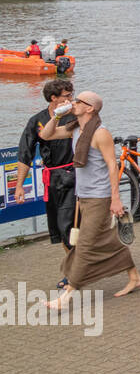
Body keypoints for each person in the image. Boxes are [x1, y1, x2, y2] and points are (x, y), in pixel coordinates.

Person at [38, 92, 140, 310]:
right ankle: (135, 277)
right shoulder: (76, 128)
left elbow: (112, 165)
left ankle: (67, 296)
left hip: (100, 196)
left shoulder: (100, 133)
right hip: (83, 195)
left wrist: (115, 198)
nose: (73, 103)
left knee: (84, 245)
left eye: (78, 101)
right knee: (107, 240)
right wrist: (57, 115)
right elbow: (46, 135)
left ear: (90, 108)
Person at [14, 79, 76, 255]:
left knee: (69, 224)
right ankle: (73, 269)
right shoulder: (36, 121)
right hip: (53, 179)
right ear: (53, 98)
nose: (71, 99)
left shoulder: (76, 116)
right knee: (60, 228)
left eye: (72, 94)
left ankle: (77, 271)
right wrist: (19, 186)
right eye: (67, 95)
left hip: (75, 175)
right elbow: (25, 154)